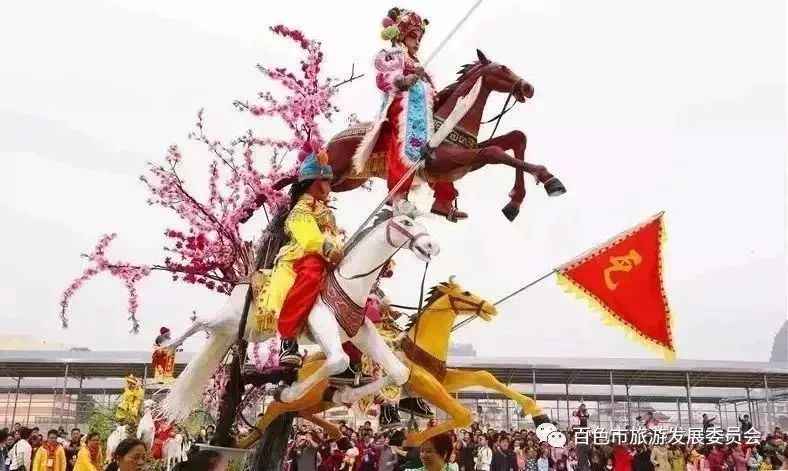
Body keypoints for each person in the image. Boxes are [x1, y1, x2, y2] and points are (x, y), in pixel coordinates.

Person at [360, 7, 467, 221]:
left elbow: (431, 90)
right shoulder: (393, 55)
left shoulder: (418, 63)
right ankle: (399, 195)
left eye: (419, 38)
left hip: (424, 108)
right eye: (412, 36)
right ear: (400, 35)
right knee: (407, 139)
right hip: (403, 104)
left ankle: (444, 199)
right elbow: (383, 79)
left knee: (440, 142)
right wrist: (402, 80)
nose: (417, 42)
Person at [258, 147, 344, 367]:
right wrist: (326, 248)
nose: (329, 188)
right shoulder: (300, 211)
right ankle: (288, 338)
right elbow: (308, 237)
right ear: (316, 183)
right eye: (327, 182)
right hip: (302, 257)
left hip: (330, 257)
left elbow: (333, 236)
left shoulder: (325, 211)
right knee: (311, 271)